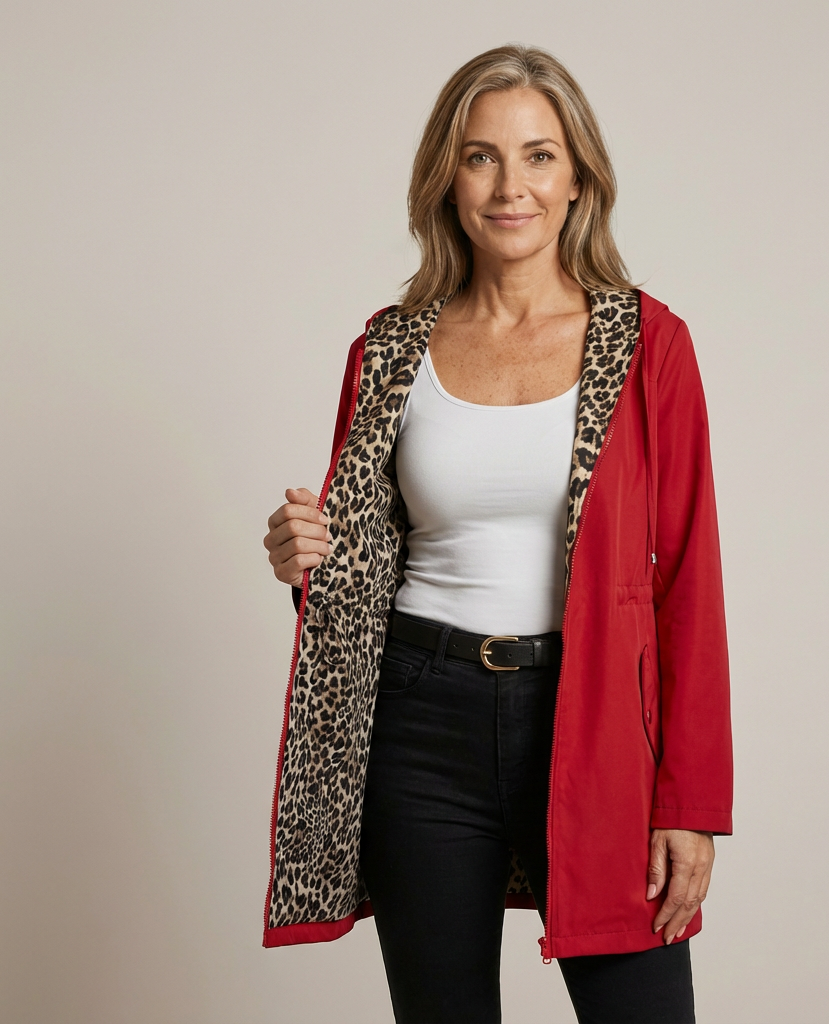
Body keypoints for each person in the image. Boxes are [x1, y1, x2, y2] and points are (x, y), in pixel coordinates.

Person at [261, 44, 732, 1024]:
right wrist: (303, 559)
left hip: (593, 716)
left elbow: (688, 579)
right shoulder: (388, 349)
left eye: (538, 156)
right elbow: (358, 563)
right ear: (448, 178)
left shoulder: (649, 344)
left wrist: (690, 802)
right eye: (481, 157)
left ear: (578, 178)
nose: (511, 186)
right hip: (419, 722)